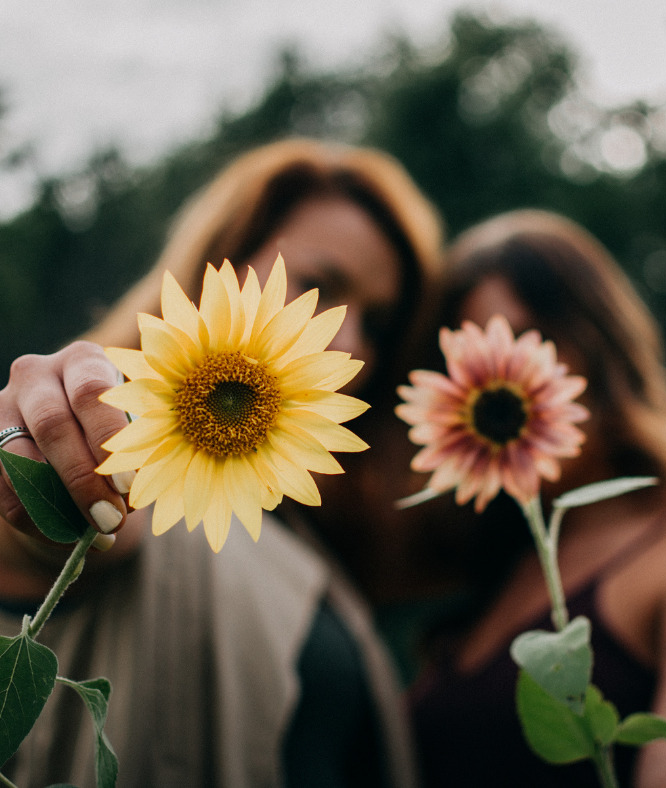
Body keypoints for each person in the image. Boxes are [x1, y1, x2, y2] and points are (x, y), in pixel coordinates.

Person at [0, 137, 443, 787]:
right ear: (223, 260)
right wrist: (38, 461)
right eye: (321, 284)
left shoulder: (302, 530)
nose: (347, 342)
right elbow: (85, 527)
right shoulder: (126, 447)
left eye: (376, 325)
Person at [407, 209, 666, 787]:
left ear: (600, 345)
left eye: (527, 342)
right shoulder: (489, 587)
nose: (498, 381)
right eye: (460, 366)